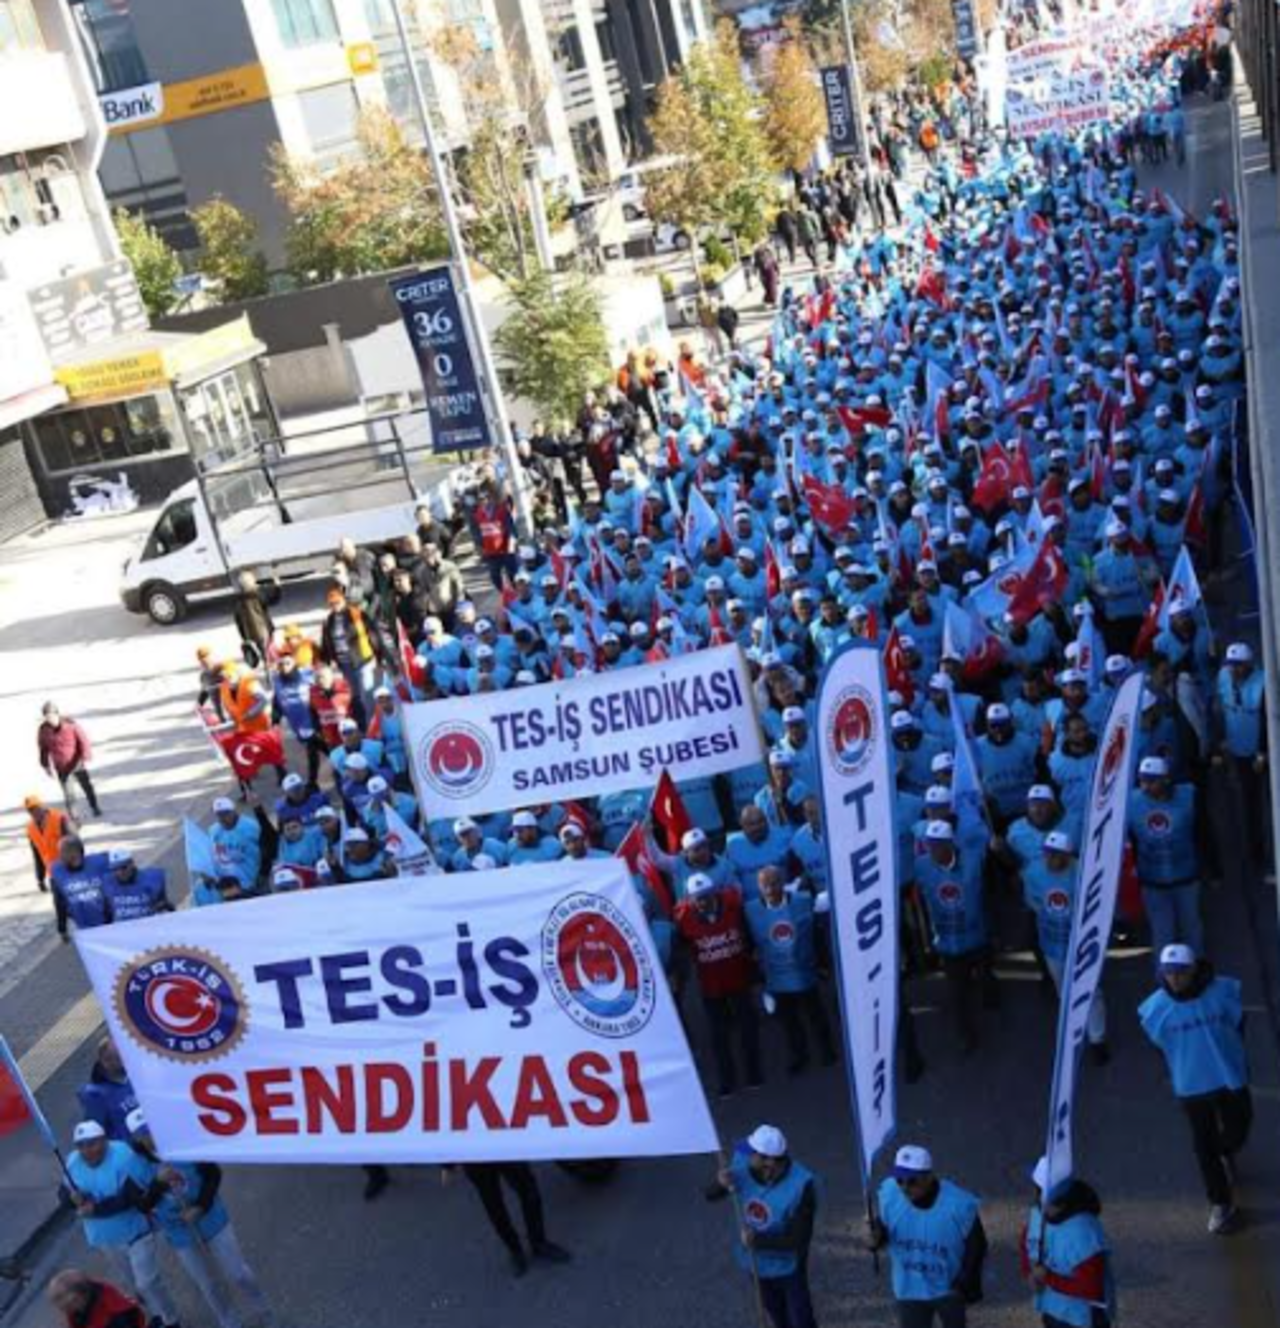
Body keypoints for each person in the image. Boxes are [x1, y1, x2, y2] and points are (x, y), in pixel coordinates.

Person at [1138, 943, 1252, 1234]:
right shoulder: (1155, 1008)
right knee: (1203, 1146)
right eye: (1169, 972)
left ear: (1194, 970)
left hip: (1230, 1076)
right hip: (1192, 1085)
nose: (1175, 979)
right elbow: (1159, 1044)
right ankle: (1220, 1203)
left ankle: (1225, 1151)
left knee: (1239, 1128)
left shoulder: (1221, 991)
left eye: (1181, 972)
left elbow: (1239, 1021)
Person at [127, 1108, 276, 1328]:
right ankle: (229, 1322)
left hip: (212, 1219)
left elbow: (213, 1174)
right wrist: (158, 1184)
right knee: (209, 1285)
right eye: (143, 1133)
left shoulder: (183, 1144)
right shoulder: (133, 1165)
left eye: (151, 1128)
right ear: (136, 1137)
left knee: (238, 1274)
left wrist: (201, 1206)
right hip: (180, 1234)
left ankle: (264, 1311)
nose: (150, 1135)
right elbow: (141, 1205)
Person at [62, 1121, 181, 1328]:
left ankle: (172, 1320)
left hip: (137, 1232)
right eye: (80, 1145)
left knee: (147, 1283)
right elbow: (62, 1193)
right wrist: (71, 1199)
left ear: (104, 1141)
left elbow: (130, 1198)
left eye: (91, 1144)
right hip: (106, 1238)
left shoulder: (124, 1156)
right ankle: (156, 1316)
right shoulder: (72, 1162)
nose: (86, 1150)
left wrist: (95, 1209)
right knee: (136, 1285)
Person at [707, 1125, 819, 1328]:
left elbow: (798, 1240)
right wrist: (720, 1184)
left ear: (769, 1162)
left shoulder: (802, 1186)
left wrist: (757, 1241)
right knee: (778, 1317)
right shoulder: (742, 1161)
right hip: (756, 1265)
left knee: (802, 1320)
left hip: (788, 1268)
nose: (747, 1155)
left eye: (753, 1153)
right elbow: (710, 1195)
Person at [868, 1145, 987, 1328]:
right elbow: (885, 1227)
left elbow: (977, 1245)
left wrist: (963, 1281)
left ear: (929, 1177)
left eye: (912, 1181)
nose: (905, 1187)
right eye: (899, 1180)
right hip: (909, 1290)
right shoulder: (890, 1194)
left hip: (948, 1289)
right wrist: (877, 1236)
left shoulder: (958, 1204)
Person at [673, 872, 762, 1097]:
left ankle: (754, 1073)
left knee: (747, 1029)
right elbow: (681, 950)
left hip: (739, 978)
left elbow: (748, 932)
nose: (702, 901)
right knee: (719, 1036)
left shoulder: (733, 904)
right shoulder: (683, 917)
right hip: (711, 986)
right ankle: (727, 1081)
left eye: (705, 896)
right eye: (697, 897)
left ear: (714, 893)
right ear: (690, 899)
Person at [744, 867, 837, 1073]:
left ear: (783, 881)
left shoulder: (803, 901)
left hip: (805, 971)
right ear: (759, 887)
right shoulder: (750, 911)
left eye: (775, 882)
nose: (770, 889)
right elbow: (749, 943)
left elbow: (817, 934)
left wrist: (823, 964)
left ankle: (827, 1051)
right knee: (789, 1021)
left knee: (816, 1015)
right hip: (776, 976)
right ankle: (799, 1056)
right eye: (765, 885)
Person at [1020, 1158, 1116, 1328]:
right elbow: (1027, 1242)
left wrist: (1048, 1277)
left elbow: (1090, 1288)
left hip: (1082, 1319)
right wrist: (1029, 1271)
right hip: (1052, 1312)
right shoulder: (1038, 1213)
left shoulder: (1085, 1231)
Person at [456, 1163, 571, 1276]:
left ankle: (538, 1243)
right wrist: (446, 1163)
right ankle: (515, 1252)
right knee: (493, 1205)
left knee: (529, 1190)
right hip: (475, 1160)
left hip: (504, 1148)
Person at [38, 702, 101, 818]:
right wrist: (45, 765)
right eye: (46, 716)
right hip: (61, 767)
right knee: (68, 795)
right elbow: (43, 748)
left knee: (86, 787)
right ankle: (74, 818)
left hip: (76, 763)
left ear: (57, 714)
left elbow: (83, 741)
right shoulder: (43, 730)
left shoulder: (71, 725)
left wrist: (86, 755)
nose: (49, 719)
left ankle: (94, 806)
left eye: (51, 715)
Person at [50, 835, 112, 939]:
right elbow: (59, 901)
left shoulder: (99, 863)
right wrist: (62, 928)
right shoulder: (58, 871)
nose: (60, 856)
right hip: (82, 925)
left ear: (76, 852)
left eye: (63, 852)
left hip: (107, 923)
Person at [76, 1038, 139, 1140]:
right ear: (105, 1061)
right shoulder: (96, 1095)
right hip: (129, 1151)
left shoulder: (138, 1077)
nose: (125, 1058)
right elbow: (95, 1132)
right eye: (119, 1057)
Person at [47, 1270, 146, 1328]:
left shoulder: (115, 1313)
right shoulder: (77, 1312)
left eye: (59, 1298)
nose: (58, 1306)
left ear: (78, 1297)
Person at [25, 793, 72, 892]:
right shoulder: (30, 829)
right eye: (30, 810)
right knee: (60, 904)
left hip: (68, 869)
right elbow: (37, 855)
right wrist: (40, 879)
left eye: (35, 808)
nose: (34, 812)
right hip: (53, 873)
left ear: (42, 806)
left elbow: (74, 844)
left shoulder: (59, 819)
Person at [231, 570, 275, 668]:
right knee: (270, 652)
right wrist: (277, 586)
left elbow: (239, 622)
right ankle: (272, 668)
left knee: (263, 654)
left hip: (250, 634)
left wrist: (244, 637)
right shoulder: (257, 596)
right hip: (264, 630)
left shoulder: (238, 602)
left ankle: (267, 666)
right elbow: (273, 599)